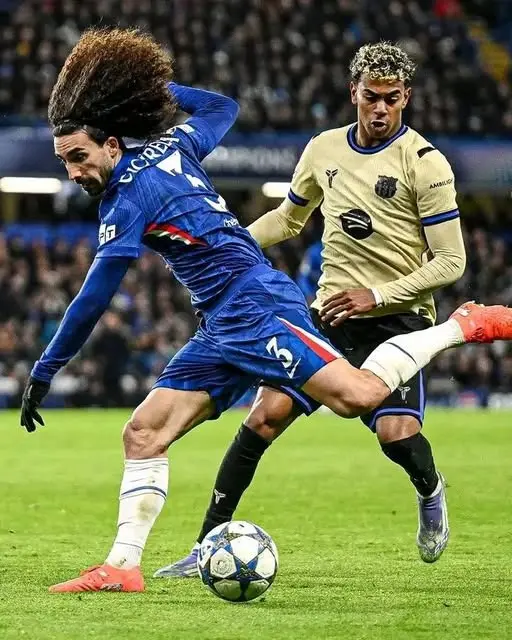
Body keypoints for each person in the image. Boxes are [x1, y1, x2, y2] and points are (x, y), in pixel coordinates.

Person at [19, 28, 512, 594]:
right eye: (65, 162)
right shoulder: (173, 145)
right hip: (223, 318)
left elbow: (95, 295)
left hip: (257, 307)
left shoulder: (126, 199)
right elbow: (221, 108)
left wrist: (46, 368)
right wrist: (147, 93)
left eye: (79, 157)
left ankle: (463, 326)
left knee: (359, 399)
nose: (73, 172)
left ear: (111, 144)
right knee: (145, 431)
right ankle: (123, 567)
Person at [156, 41, 468, 578]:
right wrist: (222, 247)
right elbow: (288, 219)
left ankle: (430, 490)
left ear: (406, 98)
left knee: (395, 435)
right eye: (371, 96)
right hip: (329, 316)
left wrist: (378, 295)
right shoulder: (323, 149)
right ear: (354, 93)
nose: (380, 108)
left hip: (398, 320)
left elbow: (451, 261)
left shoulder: (426, 164)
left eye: (392, 98)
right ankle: (206, 544)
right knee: (263, 417)